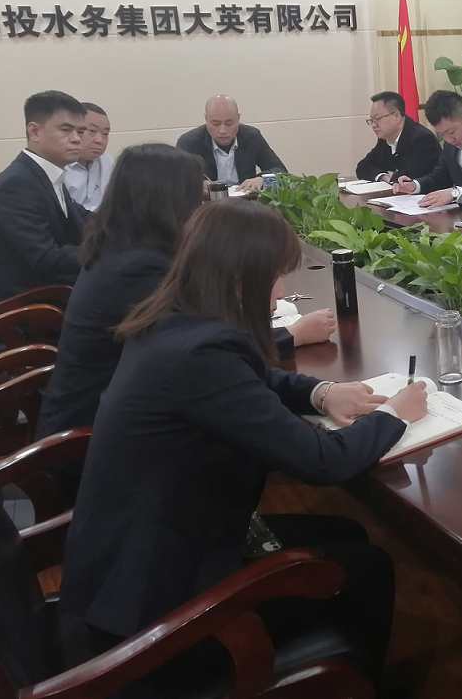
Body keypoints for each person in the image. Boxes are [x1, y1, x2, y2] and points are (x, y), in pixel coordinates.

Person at [60, 199, 427, 689]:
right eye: (275, 276)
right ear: (238, 278)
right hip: (159, 609)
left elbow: (251, 380)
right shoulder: (200, 353)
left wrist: (320, 391)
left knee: (345, 532)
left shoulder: (173, 322)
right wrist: (393, 414)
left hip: (137, 555)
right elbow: (323, 461)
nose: (281, 291)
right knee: (369, 567)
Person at [34, 144, 336, 500]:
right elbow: (207, 356)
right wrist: (290, 335)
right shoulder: (142, 268)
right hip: (98, 449)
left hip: (104, 420)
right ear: (170, 201)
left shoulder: (120, 246)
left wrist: (316, 390)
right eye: (198, 198)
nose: (202, 209)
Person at [0, 90, 91, 305]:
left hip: (53, 290)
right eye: (66, 130)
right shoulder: (15, 185)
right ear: (35, 131)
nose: (77, 139)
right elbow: (46, 258)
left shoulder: (46, 175)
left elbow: (84, 219)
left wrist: (127, 229)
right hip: (25, 308)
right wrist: (103, 253)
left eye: (81, 131)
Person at [176, 94, 287, 192]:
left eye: (229, 123)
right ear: (206, 119)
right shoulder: (189, 142)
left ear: (238, 118)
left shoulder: (252, 137)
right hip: (208, 203)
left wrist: (263, 180)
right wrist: (196, 186)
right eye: (215, 124)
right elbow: (177, 181)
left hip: (246, 202)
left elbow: (282, 173)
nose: (222, 130)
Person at [355, 91, 441, 183]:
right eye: (372, 120)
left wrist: (392, 177)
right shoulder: (385, 139)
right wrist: (384, 177)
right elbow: (363, 167)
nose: (374, 125)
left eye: (378, 119)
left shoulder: (423, 139)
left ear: (397, 116)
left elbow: (409, 177)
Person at [64, 102, 115, 210]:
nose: (99, 140)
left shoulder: (105, 160)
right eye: (92, 131)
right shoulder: (58, 164)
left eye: (105, 134)